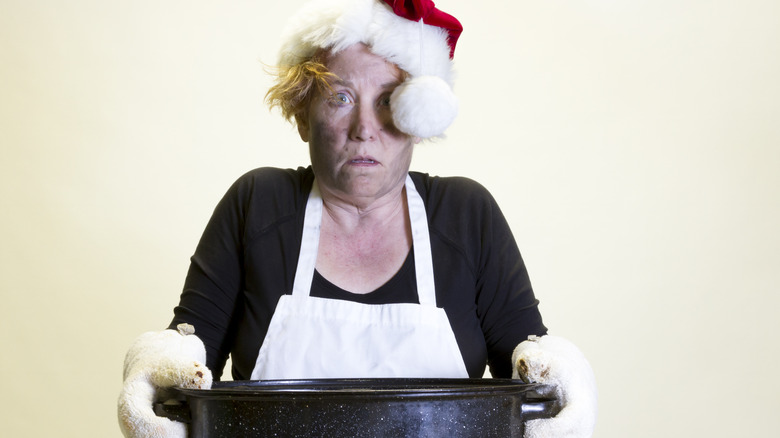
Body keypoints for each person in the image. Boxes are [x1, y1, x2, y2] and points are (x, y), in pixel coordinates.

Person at [117, 1, 597, 437]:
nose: (365, 129)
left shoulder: (466, 215)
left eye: (388, 99)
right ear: (304, 114)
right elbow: (186, 359)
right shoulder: (257, 205)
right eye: (340, 97)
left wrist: (560, 376)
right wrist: (156, 371)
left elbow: (532, 374)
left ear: (418, 115)